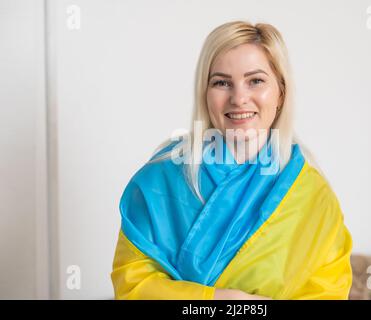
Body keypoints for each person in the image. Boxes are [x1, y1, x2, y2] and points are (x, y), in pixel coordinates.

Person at [110, 20, 353, 300]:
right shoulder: (160, 178)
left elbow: (327, 292)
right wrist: (220, 300)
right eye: (222, 82)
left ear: (280, 93)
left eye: (256, 81)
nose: (239, 98)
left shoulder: (312, 195)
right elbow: (133, 286)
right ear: (205, 92)